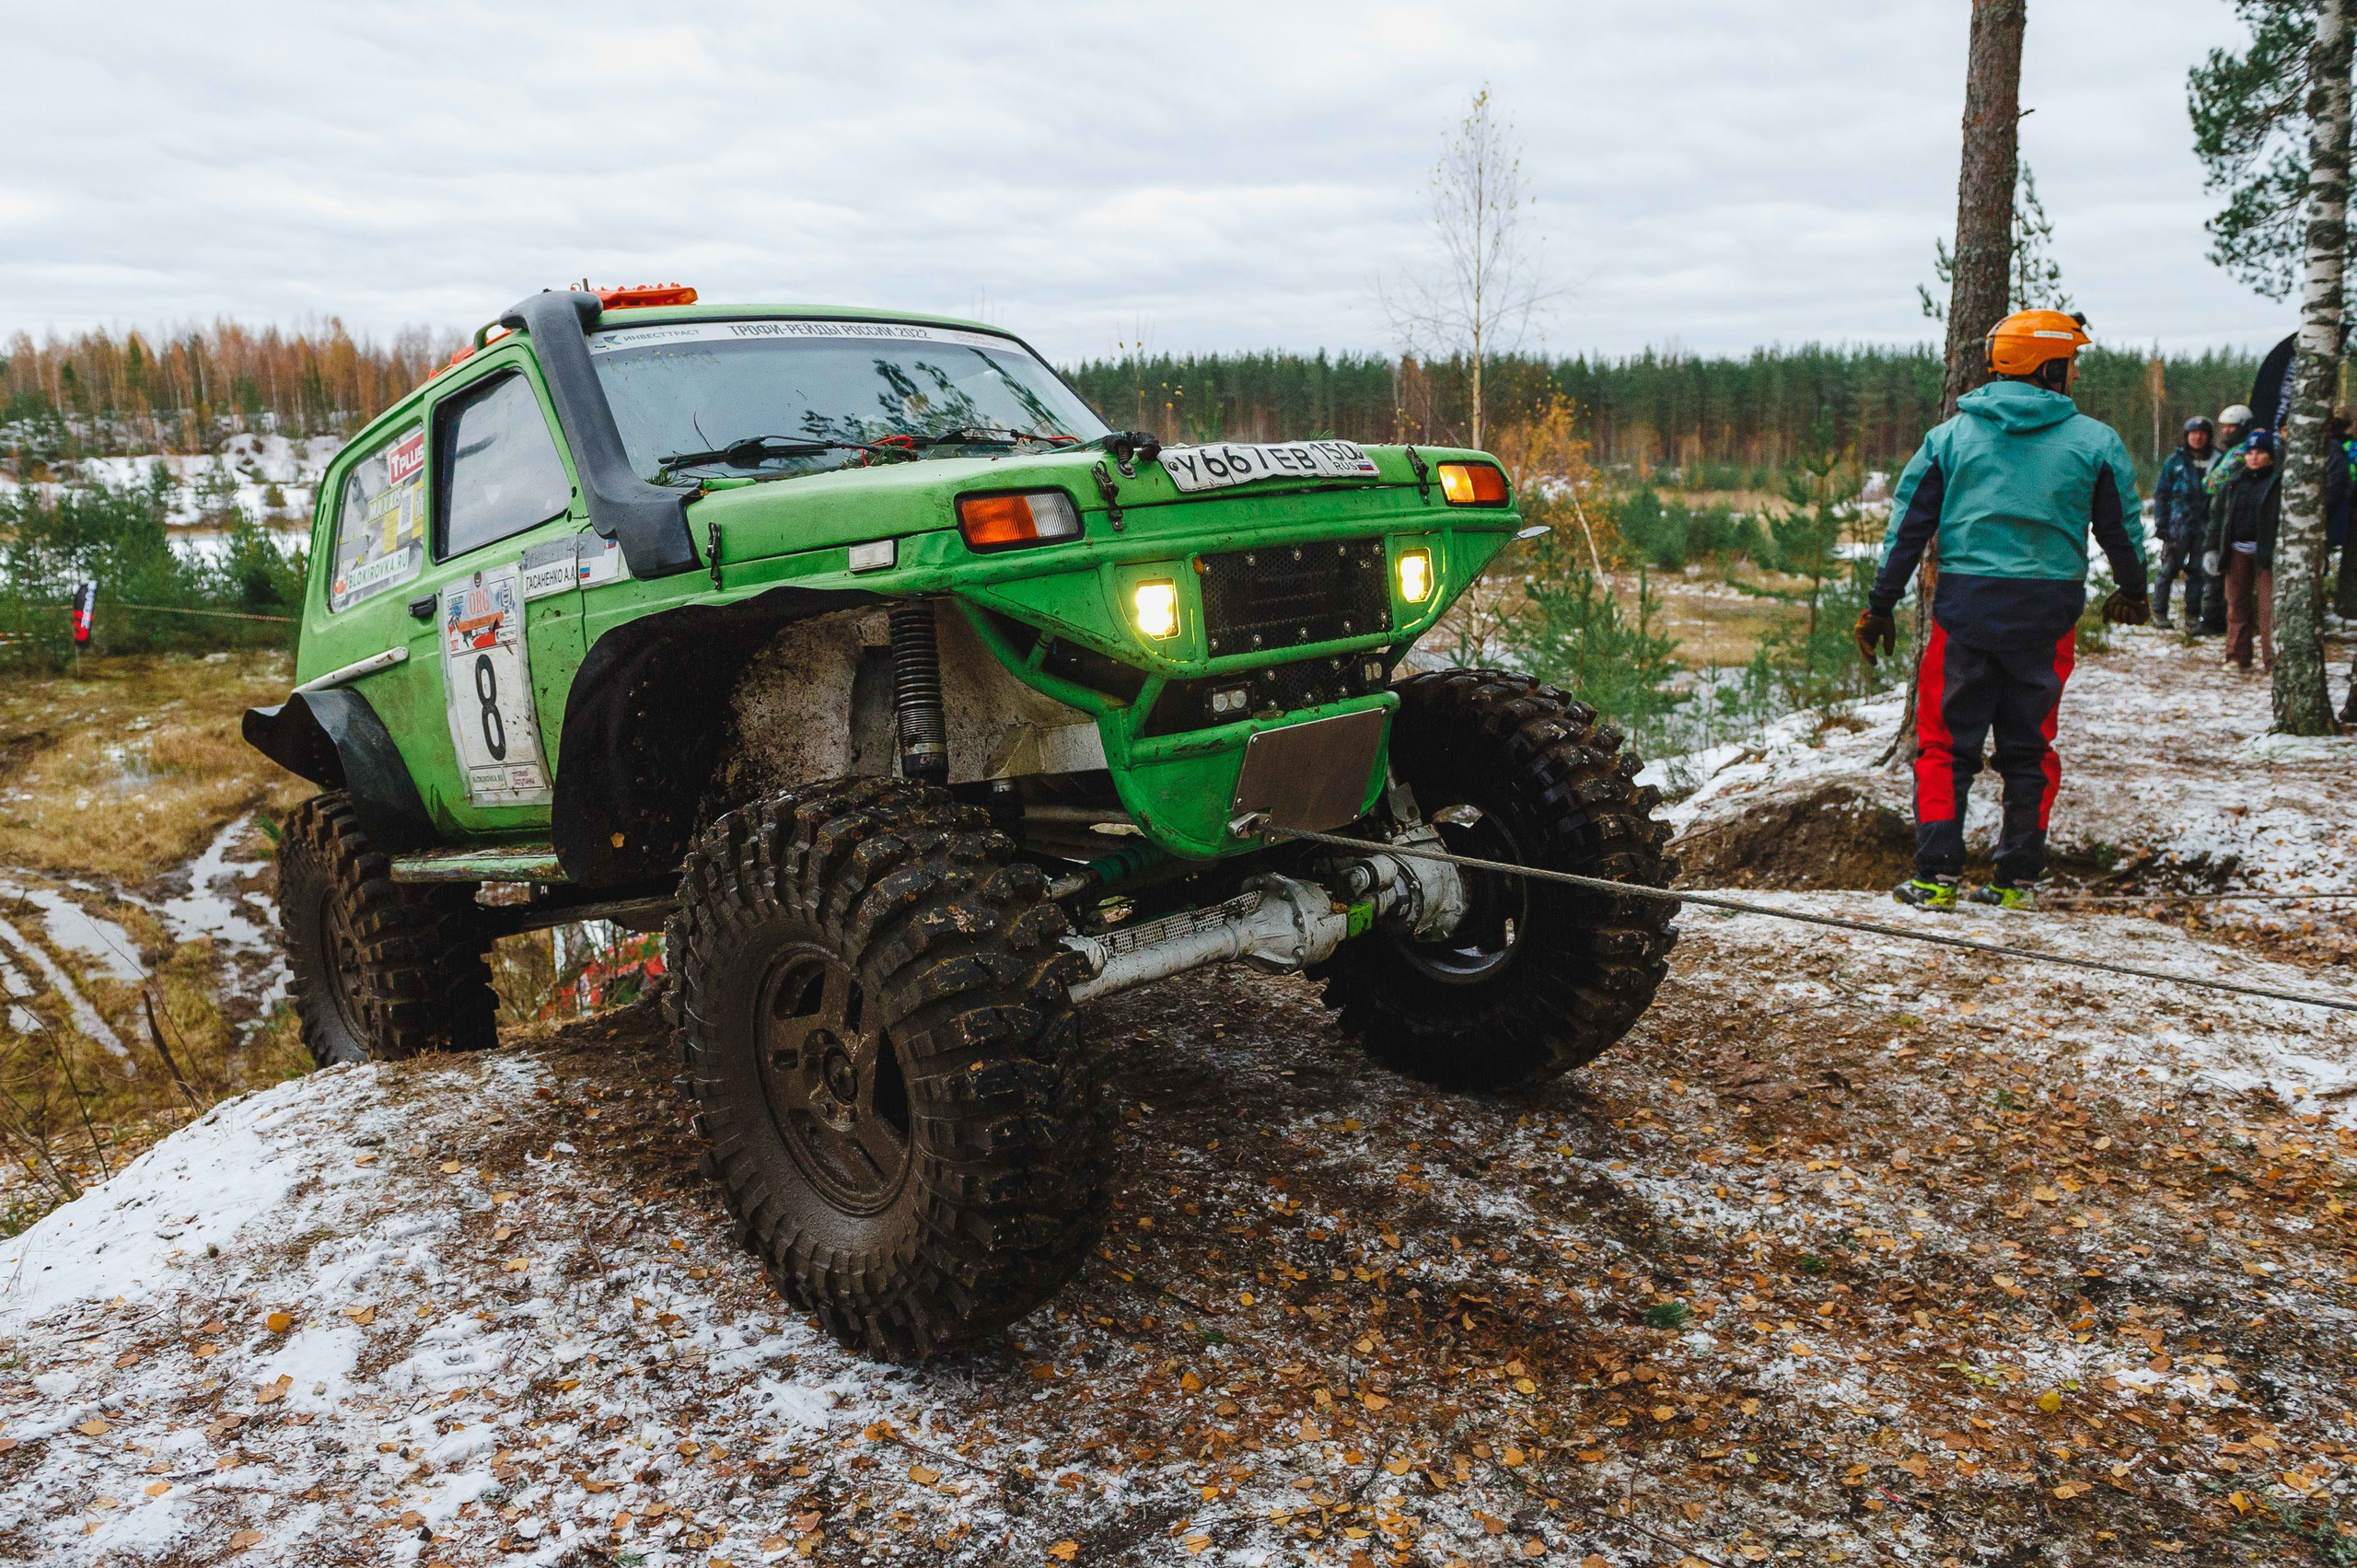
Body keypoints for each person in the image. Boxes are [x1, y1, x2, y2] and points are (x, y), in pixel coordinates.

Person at [1854, 309, 2148, 912]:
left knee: (1943, 745)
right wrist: (2134, 588)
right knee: (2030, 748)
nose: (2075, 373)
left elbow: (1908, 528)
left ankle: (1936, 877)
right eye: (2070, 361)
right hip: (2048, 614)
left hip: (1966, 610)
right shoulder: (2096, 441)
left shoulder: (1949, 439)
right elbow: (2121, 529)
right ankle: (2016, 881)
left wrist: (1881, 604)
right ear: (2048, 365)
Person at [2203, 427, 2282, 673]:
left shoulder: (2279, 483)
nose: (2254, 457)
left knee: (2269, 609)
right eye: (2250, 452)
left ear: (2270, 455)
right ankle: (2237, 656)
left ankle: (2272, 660)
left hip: (2268, 554)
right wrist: (2211, 549)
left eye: (2260, 452)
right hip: (2236, 551)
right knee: (2236, 605)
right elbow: (2217, 519)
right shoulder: (2233, 483)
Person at [2150, 415, 2215, 629]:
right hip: (2177, 526)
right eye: (2193, 433)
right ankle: (2159, 613)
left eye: (2202, 433)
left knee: (2197, 571)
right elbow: (2161, 494)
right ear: (2187, 436)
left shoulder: (2217, 460)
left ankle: (2192, 616)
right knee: (2168, 570)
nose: (2198, 437)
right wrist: (2161, 523)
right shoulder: (2174, 461)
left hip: (2204, 525)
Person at [2199, 403, 2254, 634]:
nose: (2226, 431)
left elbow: (2212, 483)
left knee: (2219, 569)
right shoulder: (2232, 451)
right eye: (2224, 426)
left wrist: (2208, 481)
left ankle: (2215, 621)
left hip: (2230, 518)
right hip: (2224, 515)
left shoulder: (2242, 452)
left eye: (2231, 427)